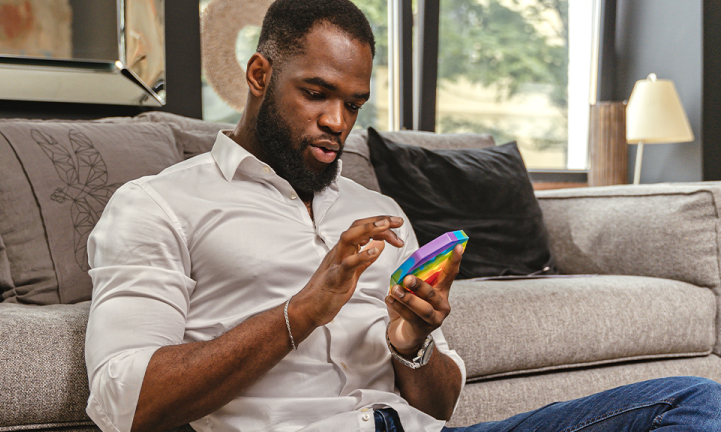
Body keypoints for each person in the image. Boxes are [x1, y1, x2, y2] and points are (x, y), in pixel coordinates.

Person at [84, 1, 721, 431]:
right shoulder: (158, 204)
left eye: (354, 103)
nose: (337, 122)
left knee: (693, 403)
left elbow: (440, 407)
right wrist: (304, 309)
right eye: (316, 93)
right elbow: (123, 400)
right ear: (259, 74)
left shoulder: (378, 213)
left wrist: (412, 345)